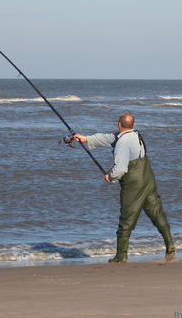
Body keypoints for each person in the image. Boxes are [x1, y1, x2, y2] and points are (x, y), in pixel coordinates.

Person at [73, 113, 175, 263]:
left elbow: (120, 169)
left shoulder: (122, 142)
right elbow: (110, 138)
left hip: (133, 182)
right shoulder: (135, 134)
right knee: (156, 211)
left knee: (126, 217)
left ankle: (121, 256)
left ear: (119, 124)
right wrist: (86, 138)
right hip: (147, 177)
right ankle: (169, 244)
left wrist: (110, 176)